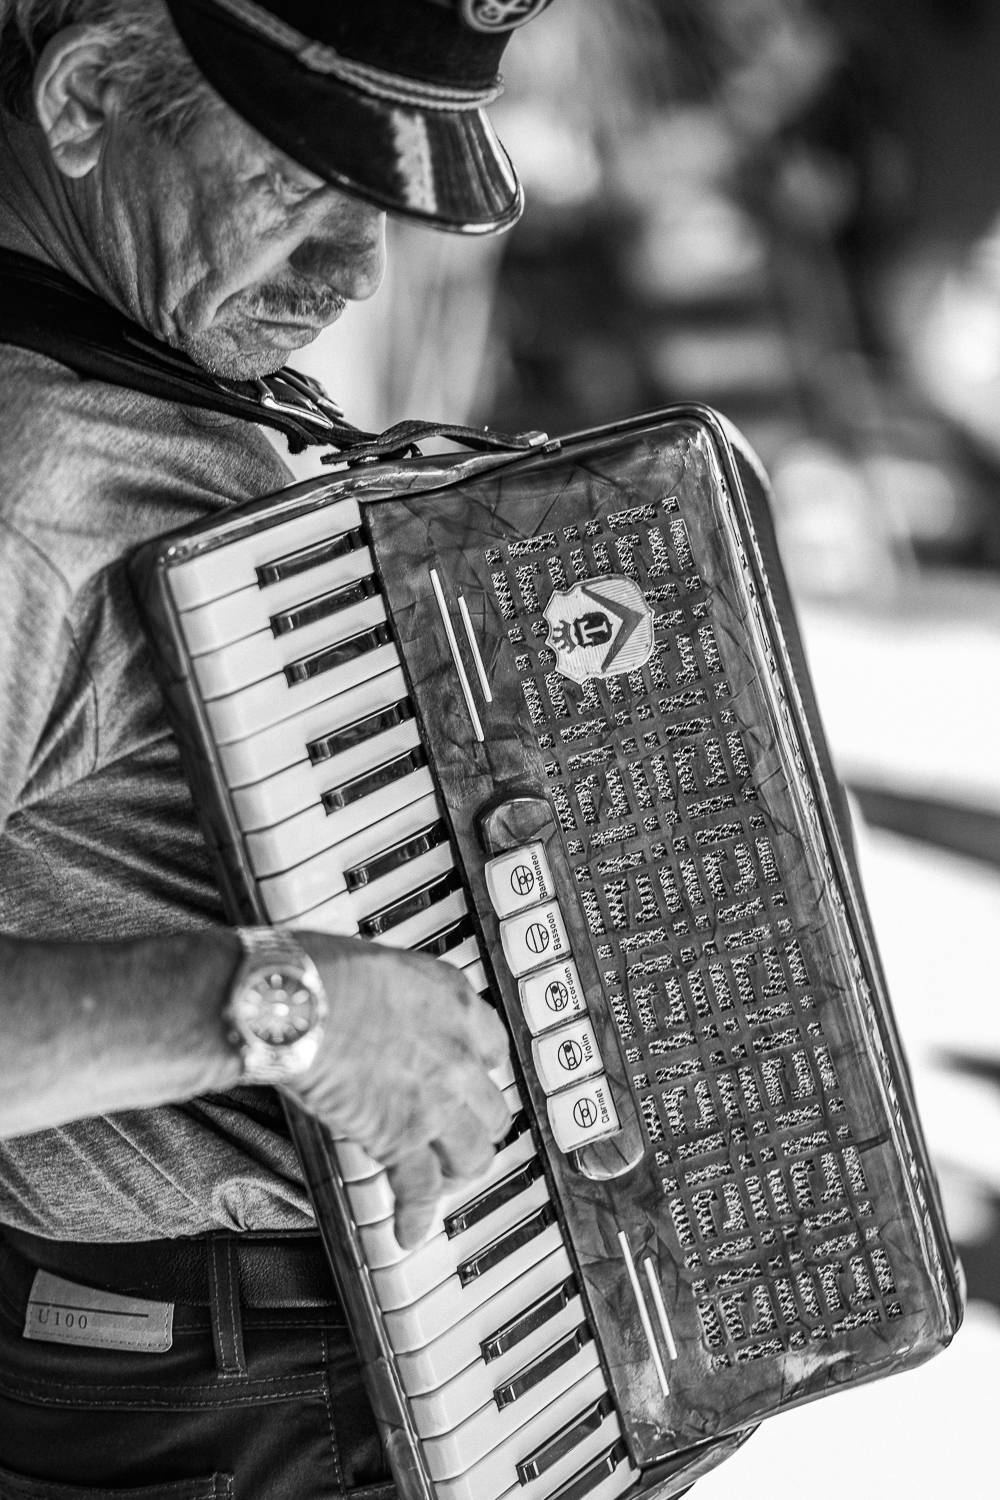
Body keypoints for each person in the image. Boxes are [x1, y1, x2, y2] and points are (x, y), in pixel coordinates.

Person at [0, 1, 554, 1492]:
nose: (357, 268)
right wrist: (286, 1013)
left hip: (353, 1354)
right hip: (217, 1391)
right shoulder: (23, 489)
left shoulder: (140, 347)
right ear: (88, 95)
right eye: (302, 182)